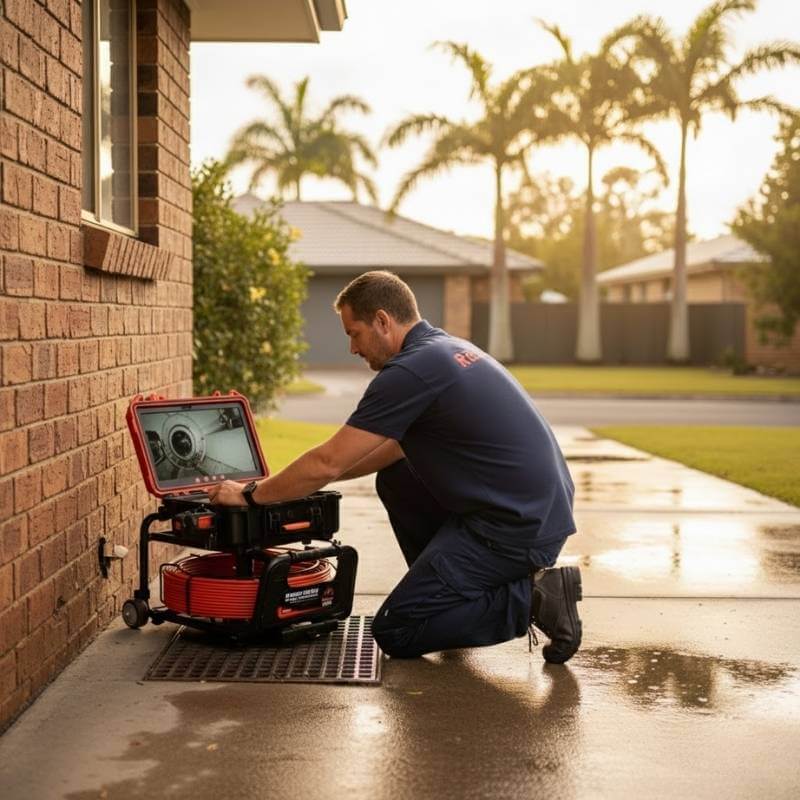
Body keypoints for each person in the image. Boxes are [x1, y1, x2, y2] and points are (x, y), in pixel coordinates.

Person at [208, 271, 582, 663]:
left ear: (383, 321)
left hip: (513, 529)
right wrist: (290, 483)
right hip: (534, 511)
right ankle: (448, 595)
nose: (352, 347)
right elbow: (382, 453)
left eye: (354, 333)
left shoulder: (409, 371)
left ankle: (536, 598)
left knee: (397, 630)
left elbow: (328, 461)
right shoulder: (443, 349)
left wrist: (250, 496)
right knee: (397, 479)